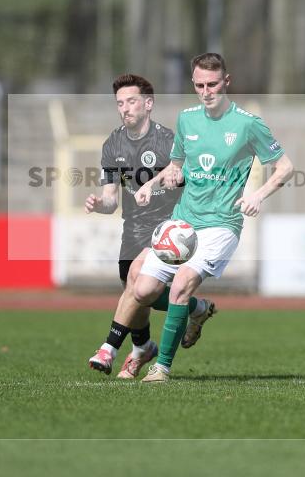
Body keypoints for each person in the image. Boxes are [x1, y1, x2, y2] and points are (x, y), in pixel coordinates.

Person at [132, 52, 294, 383]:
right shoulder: (187, 119)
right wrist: (154, 183)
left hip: (222, 224)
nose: (207, 92)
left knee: (180, 284)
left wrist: (257, 196)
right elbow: (176, 165)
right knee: (143, 291)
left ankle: (161, 367)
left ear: (227, 82)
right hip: (182, 222)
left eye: (213, 84)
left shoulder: (248, 123)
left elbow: (285, 167)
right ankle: (198, 310)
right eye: (200, 85)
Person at [84, 74, 216, 379]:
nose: (125, 108)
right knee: (137, 292)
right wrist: (98, 205)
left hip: (168, 227)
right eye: (120, 103)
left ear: (148, 104)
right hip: (132, 227)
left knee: (139, 285)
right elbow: (110, 200)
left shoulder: (168, 141)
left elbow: (186, 174)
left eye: (131, 101)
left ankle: (110, 349)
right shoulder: (111, 144)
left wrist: (172, 178)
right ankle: (157, 336)